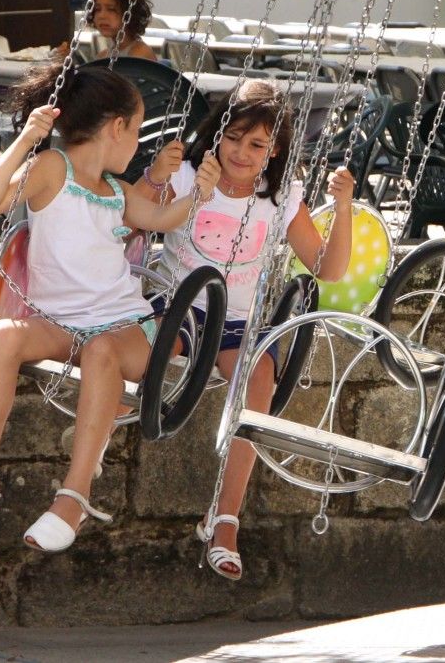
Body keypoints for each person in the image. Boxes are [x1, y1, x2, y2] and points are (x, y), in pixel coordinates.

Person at [0, 61, 220, 553]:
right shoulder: (51, 170)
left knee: (103, 350)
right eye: (138, 129)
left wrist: (201, 193)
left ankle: (75, 496)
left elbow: (164, 217)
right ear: (117, 127)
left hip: (125, 330)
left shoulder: (116, 191)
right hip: (60, 327)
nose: (138, 145)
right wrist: (25, 141)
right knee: (2, 336)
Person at [139, 80, 354, 580]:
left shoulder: (279, 197)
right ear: (218, 134)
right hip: (181, 307)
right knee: (153, 350)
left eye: (256, 144)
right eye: (234, 137)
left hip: (237, 324)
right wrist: (157, 174)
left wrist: (342, 209)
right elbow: (137, 216)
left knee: (259, 379)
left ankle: (225, 517)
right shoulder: (192, 175)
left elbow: (328, 267)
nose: (241, 152)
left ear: (273, 151)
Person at [88, 0, 159, 62]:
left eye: (111, 9)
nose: (101, 16)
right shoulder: (102, 56)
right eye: (97, 9)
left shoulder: (140, 54)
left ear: (129, 13)